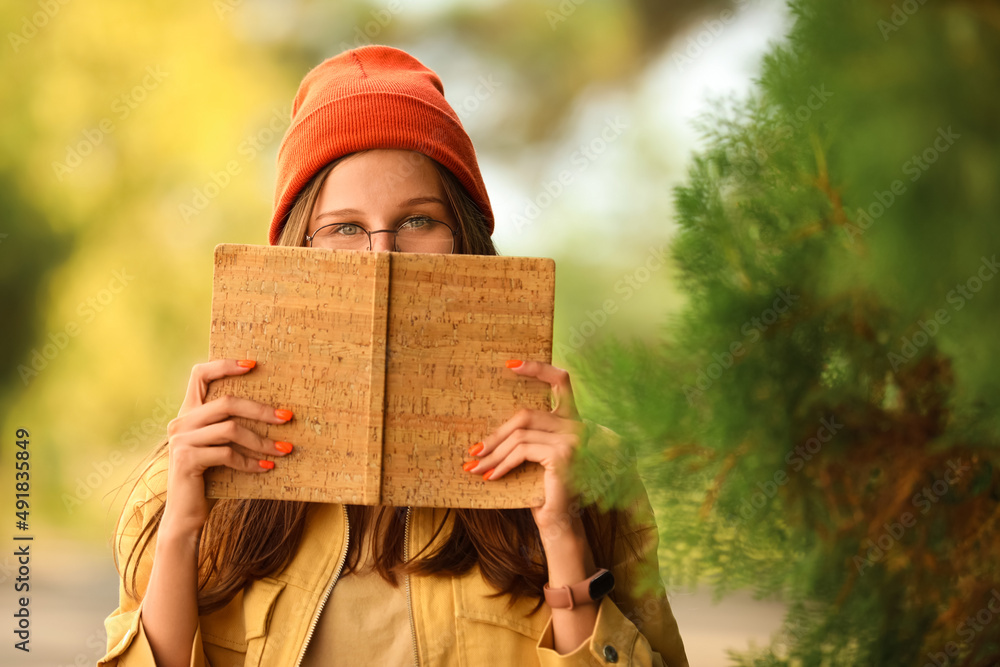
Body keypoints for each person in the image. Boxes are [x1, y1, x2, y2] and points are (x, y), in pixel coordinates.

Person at [98, 44, 689, 667]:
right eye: (345, 228)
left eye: (418, 221)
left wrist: (563, 532)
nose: (383, 257)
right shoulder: (183, 481)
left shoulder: (593, 475)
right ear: (296, 256)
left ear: (465, 241)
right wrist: (182, 531)